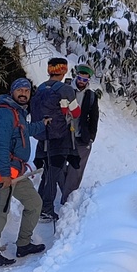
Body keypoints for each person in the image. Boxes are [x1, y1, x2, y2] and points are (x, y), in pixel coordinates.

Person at [0, 78, 46, 268]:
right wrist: (4, 174)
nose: (24, 93)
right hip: (2, 171)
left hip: (16, 171)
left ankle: (23, 244)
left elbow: (27, 130)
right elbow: (0, 145)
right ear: (12, 92)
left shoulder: (17, 113)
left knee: (34, 203)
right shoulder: (4, 114)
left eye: (27, 90)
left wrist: (44, 123)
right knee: (0, 210)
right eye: (20, 90)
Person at [30, 57, 80, 220]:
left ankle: (38, 206)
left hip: (43, 138)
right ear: (63, 70)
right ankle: (46, 209)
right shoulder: (65, 89)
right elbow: (76, 113)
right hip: (60, 138)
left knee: (47, 174)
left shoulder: (40, 89)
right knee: (53, 174)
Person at [61, 64, 99, 203]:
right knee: (58, 166)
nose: (82, 82)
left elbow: (94, 118)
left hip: (81, 138)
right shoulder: (65, 89)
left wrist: (91, 137)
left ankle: (67, 201)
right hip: (63, 136)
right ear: (76, 76)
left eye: (85, 79)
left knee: (76, 170)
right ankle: (61, 189)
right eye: (80, 78)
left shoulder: (91, 96)